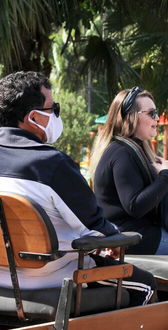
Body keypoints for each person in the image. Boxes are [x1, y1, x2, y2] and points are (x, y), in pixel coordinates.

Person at [0, 71, 156, 306]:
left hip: (2, 277)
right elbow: (95, 227)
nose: (56, 115)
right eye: (53, 109)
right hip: (52, 276)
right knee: (146, 285)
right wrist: (115, 239)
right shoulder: (51, 164)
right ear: (34, 118)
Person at [90, 87, 168, 256]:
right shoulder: (122, 153)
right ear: (131, 117)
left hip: (137, 237)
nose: (157, 118)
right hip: (135, 239)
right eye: (151, 113)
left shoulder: (128, 149)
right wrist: (165, 176)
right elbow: (135, 206)